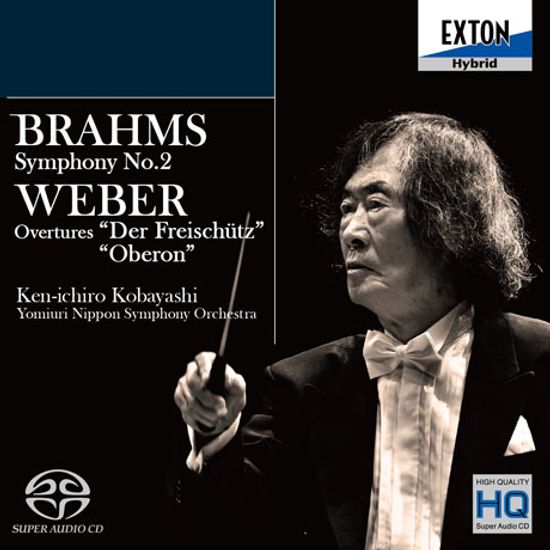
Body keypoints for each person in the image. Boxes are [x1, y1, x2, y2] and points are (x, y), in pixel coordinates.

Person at [169, 113, 550, 550]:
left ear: (449, 218)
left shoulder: (540, 359)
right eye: (346, 208)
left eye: (376, 204)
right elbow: (232, 527)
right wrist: (215, 434)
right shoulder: (302, 384)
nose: (350, 232)